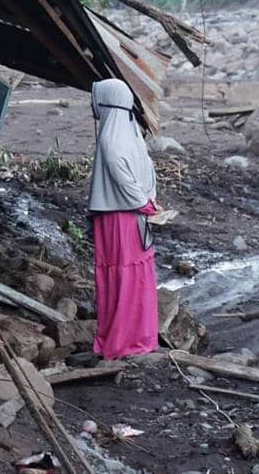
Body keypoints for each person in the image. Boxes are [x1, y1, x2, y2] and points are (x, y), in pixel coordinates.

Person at [87, 78, 159, 359]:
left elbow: (120, 174)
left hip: (117, 218)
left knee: (121, 276)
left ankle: (120, 339)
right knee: (136, 275)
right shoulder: (133, 135)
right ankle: (140, 336)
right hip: (137, 215)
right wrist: (148, 201)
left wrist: (140, 202)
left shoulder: (110, 138)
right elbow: (148, 173)